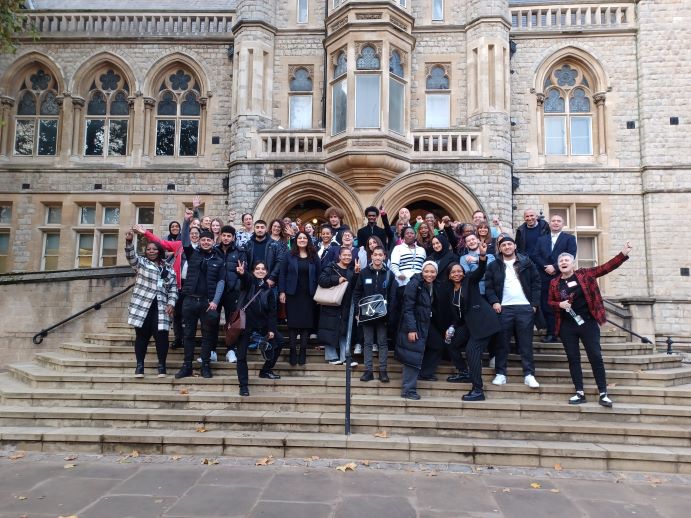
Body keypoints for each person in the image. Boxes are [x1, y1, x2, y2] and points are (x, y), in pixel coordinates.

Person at [548, 242, 633, 407]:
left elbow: (605, 268)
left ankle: (603, 393)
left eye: (567, 260)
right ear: (558, 266)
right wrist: (559, 305)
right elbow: (549, 301)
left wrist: (623, 254)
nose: (564, 262)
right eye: (561, 261)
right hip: (567, 326)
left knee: (595, 356)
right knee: (573, 358)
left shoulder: (585, 275)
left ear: (573, 263)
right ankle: (579, 392)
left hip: (588, 323)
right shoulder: (554, 283)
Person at [485, 236, 541, 389]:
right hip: (504, 308)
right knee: (502, 343)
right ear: (499, 248)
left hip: (525, 307)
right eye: (504, 245)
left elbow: (536, 283)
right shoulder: (493, 265)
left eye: (509, 244)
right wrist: (494, 301)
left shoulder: (526, 263)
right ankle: (500, 374)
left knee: (525, 343)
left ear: (515, 246)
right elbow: (488, 286)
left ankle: (529, 375)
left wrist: (534, 304)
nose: (507, 247)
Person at [175, 209, 225, 379]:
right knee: (188, 334)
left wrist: (215, 302)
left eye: (208, 240)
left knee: (207, 335)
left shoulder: (218, 260)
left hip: (207, 302)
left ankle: (205, 365)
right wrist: (186, 222)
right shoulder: (192, 254)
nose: (205, 242)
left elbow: (221, 282)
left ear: (213, 242)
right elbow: (185, 241)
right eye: (202, 239)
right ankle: (187, 365)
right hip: (189, 300)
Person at [451, 241, 502, 401]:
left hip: (483, 322)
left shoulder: (469, 282)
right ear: (449, 275)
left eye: (460, 271)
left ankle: (478, 390)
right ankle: (464, 372)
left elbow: (480, 270)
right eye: (454, 272)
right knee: (451, 343)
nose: (457, 274)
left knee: (472, 351)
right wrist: (452, 327)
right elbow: (457, 313)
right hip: (468, 324)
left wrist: (482, 256)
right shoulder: (450, 291)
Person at [124, 232, 177, 378]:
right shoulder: (141, 263)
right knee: (142, 336)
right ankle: (139, 366)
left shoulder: (168, 268)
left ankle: (162, 366)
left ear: (160, 251)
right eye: (148, 249)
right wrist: (129, 242)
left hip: (161, 307)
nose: (151, 251)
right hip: (142, 305)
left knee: (162, 337)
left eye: (154, 249)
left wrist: (172, 303)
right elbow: (131, 257)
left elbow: (173, 288)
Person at [235, 261, 286, 396]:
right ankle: (243, 385)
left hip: (261, 324)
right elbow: (245, 279)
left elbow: (272, 313)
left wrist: (271, 330)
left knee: (279, 342)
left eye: (263, 269)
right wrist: (242, 273)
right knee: (241, 355)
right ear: (253, 271)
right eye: (257, 269)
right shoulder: (249, 283)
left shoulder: (268, 289)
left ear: (267, 272)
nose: (260, 271)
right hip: (245, 324)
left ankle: (266, 370)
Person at [395, 261, 438, 400]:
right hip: (414, 325)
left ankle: (424, 373)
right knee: (412, 357)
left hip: (425, 324)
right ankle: (408, 390)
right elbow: (408, 308)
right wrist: (411, 329)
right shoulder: (415, 284)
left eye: (432, 272)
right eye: (427, 271)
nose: (429, 274)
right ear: (422, 271)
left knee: (437, 345)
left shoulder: (431, 285)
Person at [353, 246, 396, 382]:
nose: (378, 257)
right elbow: (357, 293)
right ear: (371, 256)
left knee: (382, 343)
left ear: (384, 257)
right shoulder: (364, 273)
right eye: (375, 255)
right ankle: (368, 371)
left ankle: (383, 371)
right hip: (367, 314)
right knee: (368, 343)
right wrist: (357, 312)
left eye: (380, 255)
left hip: (383, 314)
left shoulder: (389, 274)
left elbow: (393, 296)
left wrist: (390, 313)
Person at [279, 231, 321, 366]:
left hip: (309, 295)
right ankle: (292, 350)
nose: (302, 240)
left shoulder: (314, 256)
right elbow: (282, 274)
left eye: (304, 238)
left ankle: (302, 351)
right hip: (292, 294)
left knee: (305, 324)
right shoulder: (289, 255)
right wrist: (282, 292)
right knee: (292, 324)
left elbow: (320, 274)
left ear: (308, 240)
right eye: (299, 238)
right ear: (295, 240)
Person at [535, 214, 577, 343]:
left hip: (562, 276)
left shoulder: (569, 238)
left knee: (565, 304)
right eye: (553, 221)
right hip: (544, 276)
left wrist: (555, 267)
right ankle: (551, 333)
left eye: (559, 221)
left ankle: (565, 333)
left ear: (562, 224)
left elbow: (571, 255)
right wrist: (545, 267)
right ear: (549, 223)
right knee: (547, 305)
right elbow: (536, 255)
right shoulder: (542, 239)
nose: (556, 223)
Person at [318, 247, 360, 365]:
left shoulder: (352, 269)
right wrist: (337, 279)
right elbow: (321, 280)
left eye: (349, 255)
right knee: (329, 329)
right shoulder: (331, 267)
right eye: (344, 255)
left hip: (346, 305)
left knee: (344, 331)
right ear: (339, 256)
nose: (347, 257)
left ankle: (345, 357)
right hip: (331, 303)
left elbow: (355, 287)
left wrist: (357, 274)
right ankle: (331, 357)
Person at [215, 225, 247, 363]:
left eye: (229, 236)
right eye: (224, 235)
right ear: (220, 236)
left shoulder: (239, 251)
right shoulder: (214, 250)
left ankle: (230, 350)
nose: (226, 238)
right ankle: (211, 350)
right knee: (212, 321)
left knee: (231, 322)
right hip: (216, 291)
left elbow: (243, 271)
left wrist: (238, 286)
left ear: (233, 237)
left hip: (232, 292)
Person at [244, 220, 284, 287]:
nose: (260, 230)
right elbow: (244, 262)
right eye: (257, 227)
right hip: (252, 282)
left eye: (262, 227)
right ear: (254, 229)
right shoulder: (248, 245)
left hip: (269, 282)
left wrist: (272, 277)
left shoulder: (275, 245)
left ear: (266, 229)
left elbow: (279, 262)